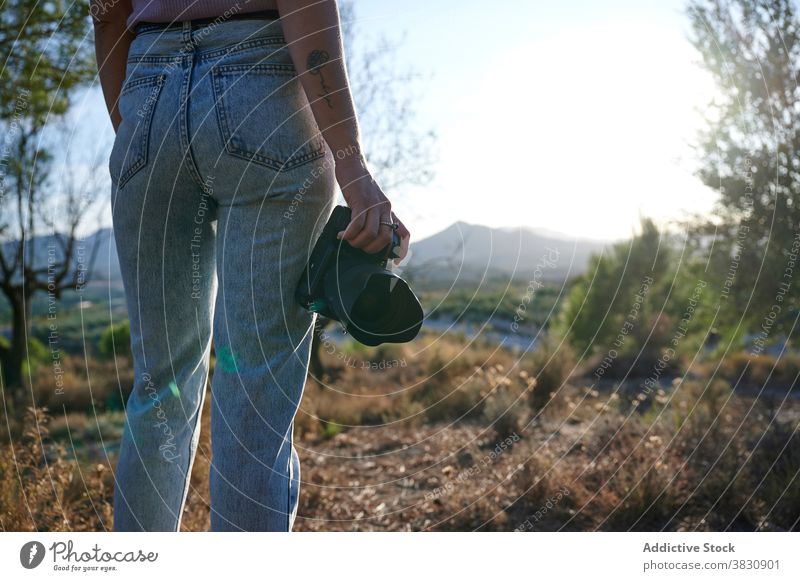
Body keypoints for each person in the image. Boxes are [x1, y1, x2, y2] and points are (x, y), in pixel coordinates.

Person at [91, 0, 410, 532]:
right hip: (262, 84)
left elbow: (105, 13)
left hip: (146, 88)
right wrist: (353, 169)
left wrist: (138, 125)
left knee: (158, 385)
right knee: (255, 390)